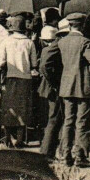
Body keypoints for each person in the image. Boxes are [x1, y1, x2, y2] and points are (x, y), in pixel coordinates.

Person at [56, 12, 90, 166]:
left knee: (68, 121)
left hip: (66, 86)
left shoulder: (62, 42)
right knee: (82, 122)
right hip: (82, 86)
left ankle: (65, 155)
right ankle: (80, 156)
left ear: (70, 25)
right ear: (82, 25)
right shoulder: (85, 42)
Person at [0, 12, 39, 146]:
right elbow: (34, 64)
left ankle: (7, 137)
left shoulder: (6, 41)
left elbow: (0, 63)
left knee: (9, 107)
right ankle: (20, 139)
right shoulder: (29, 43)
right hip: (25, 79)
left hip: (10, 78)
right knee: (23, 108)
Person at [38, 23, 64, 160]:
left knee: (53, 118)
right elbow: (44, 67)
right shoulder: (53, 49)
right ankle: (47, 151)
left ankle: (48, 150)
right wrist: (54, 82)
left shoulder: (46, 50)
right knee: (54, 118)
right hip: (53, 88)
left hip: (48, 87)